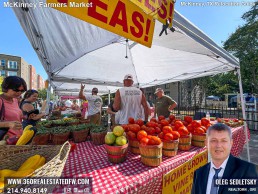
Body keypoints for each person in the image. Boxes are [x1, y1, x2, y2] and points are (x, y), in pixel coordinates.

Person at [191, 123, 257, 194]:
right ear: (206, 143)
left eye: (224, 141)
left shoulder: (246, 170)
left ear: (231, 143)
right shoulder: (199, 173)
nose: (218, 145)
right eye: (214, 140)